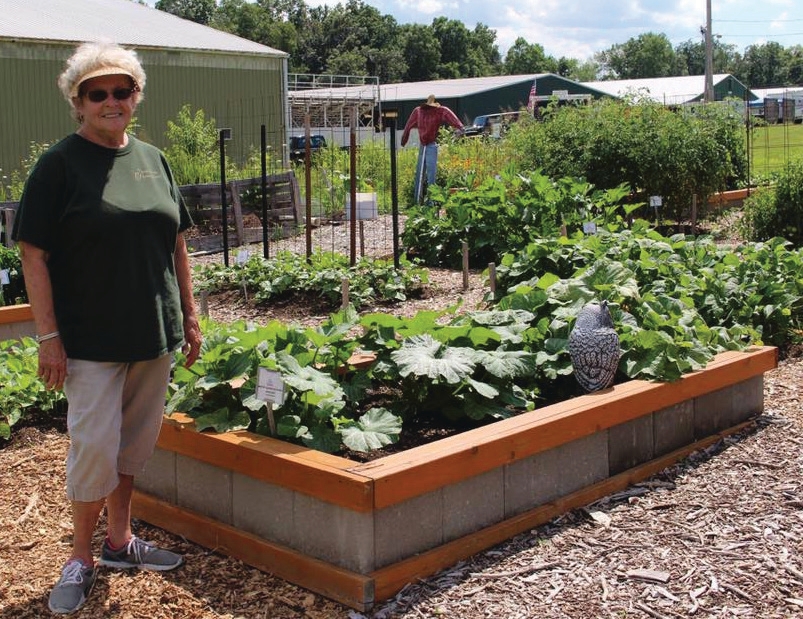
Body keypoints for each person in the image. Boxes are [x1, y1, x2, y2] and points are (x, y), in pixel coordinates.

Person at [11, 40, 202, 615]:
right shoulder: (60, 164)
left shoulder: (153, 158)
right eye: (99, 92)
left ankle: (119, 543)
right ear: (78, 100)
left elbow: (176, 243)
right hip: (91, 341)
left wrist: (189, 316)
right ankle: (79, 557)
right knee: (93, 450)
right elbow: (33, 254)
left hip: (153, 334)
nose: (112, 100)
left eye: (123, 90)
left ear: (136, 96)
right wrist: (49, 337)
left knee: (132, 447)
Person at [400, 94, 464, 204]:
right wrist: (404, 139)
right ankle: (418, 201)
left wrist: (459, 127)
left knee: (430, 175)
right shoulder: (418, 111)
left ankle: (430, 201)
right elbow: (408, 125)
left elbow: (451, 117)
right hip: (424, 145)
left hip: (430, 145)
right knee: (421, 174)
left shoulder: (439, 111)